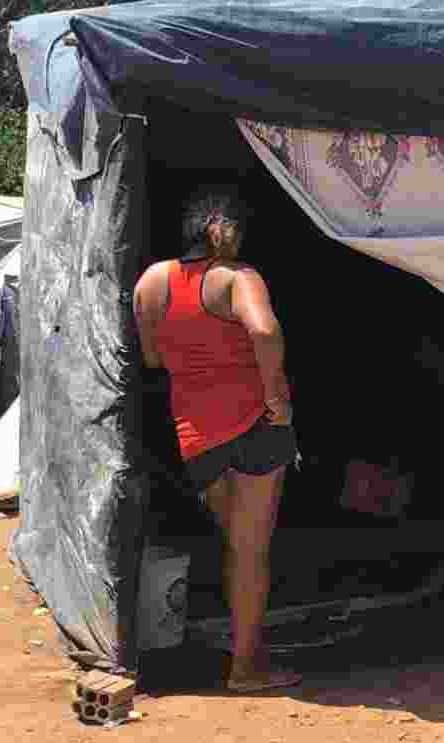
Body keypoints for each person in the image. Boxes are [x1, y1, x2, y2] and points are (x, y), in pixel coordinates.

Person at [133, 186, 302, 693]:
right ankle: (246, 668)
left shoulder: (152, 283)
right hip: (255, 428)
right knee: (250, 553)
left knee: (233, 545)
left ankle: (244, 654)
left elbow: (152, 358)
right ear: (227, 231)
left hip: (197, 438)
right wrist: (275, 398)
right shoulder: (238, 278)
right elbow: (266, 333)